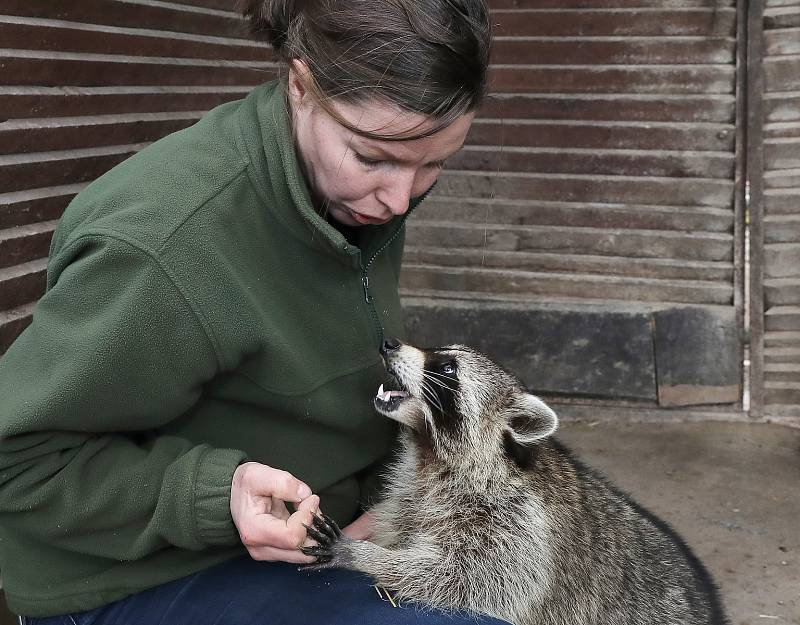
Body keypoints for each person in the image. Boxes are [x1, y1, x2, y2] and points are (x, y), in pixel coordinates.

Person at [0, 1, 507, 623]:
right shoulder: (164, 248)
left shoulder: (349, 190)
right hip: (129, 578)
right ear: (300, 86)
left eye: (435, 163)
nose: (401, 197)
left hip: (319, 530)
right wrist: (216, 496)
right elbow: (16, 459)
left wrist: (393, 496)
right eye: (375, 158)